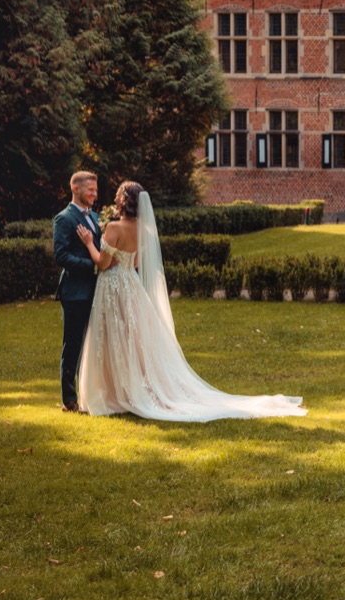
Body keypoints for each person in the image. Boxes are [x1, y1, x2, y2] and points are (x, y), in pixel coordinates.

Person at [75, 181, 306, 422]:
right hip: (130, 286)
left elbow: (102, 263)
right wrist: (117, 261)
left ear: (122, 201)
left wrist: (89, 242)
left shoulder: (114, 227)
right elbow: (134, 263)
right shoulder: (144, 229)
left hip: (112, 287)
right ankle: (130, 390)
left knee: (114, 337)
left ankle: (114, 393)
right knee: (133, 340)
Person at [52, 171, 101, 412]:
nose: (95, 193)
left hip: (96, 290)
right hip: (74, 292)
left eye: (95, 189)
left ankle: (91, 393)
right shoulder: (64, 219)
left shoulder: (94, 216)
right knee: (72, 345)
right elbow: (61, 256)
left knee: (93, 344)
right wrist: (92, 266)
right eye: (90, 189)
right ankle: (69, 400)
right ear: (76, 189)